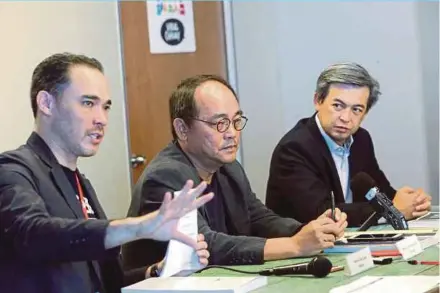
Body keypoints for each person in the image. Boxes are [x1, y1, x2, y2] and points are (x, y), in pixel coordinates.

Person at [0, 52, 213, 293]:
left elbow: (103, 281)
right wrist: (137, 227)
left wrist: (156, 271)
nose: (102, 119)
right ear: (46, 103)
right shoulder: (12, 169)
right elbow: (35, 235)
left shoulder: (80, 183)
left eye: (106, 107)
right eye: (88, 103)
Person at [122, 74, 347, 270]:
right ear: (182, 129)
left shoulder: (228, 167)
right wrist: (295, 245)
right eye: (220, 123)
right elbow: (205, 244)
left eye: (236, 121)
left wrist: (311, 230)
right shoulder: (165, 176)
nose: (232, 133)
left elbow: (259, 218)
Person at [265, 62, 432, 227]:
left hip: (351, 244)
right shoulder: (295, 148)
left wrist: (413, 203)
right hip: (303, 249)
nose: (345, 117)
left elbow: (380, 193)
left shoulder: (361, 139)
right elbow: (320, 213)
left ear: (365, 112)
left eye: (356, 109)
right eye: (338, 106)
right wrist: (391, 210)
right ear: (318, 100)